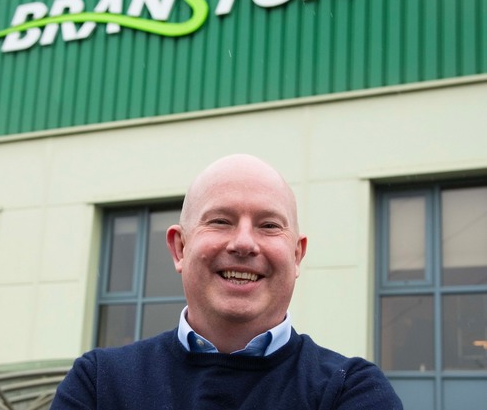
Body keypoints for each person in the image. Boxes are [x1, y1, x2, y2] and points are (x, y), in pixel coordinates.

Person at [50, 154, 403, 409]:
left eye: (268, 225)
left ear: (297, 255)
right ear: (180, 248)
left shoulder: (351, 390)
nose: (244, 243)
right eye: (220, 221)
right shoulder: (98, 384)